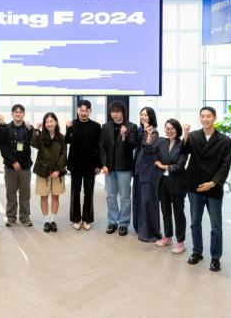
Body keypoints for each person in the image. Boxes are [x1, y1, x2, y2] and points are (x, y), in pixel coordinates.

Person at [183, 106, 231, 272]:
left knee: (216, 225)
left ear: (214, 118)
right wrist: (185, 133)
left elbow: (225, 167)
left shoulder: (225, 141)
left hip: (213, 187)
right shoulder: (194, 136)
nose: (205, 119)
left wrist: (212, 183)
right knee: (195, 222)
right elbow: (183, 151)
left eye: (208, 116)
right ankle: (197, 252)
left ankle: (215, 257)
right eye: (202, 116)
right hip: (195, 186)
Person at [99, 100, 138, 236]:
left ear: (123, 112)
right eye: (113, 111)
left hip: (125, 168)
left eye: (118, 111)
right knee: (110, 195)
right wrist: (103, 164)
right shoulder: (106, 127)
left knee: (125, 197)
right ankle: (112, 221)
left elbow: (132, 146)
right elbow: (102, 147)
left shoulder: (132, 127)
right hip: (109, 168)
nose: (115, 114)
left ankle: (123, 223)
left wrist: (123, 136)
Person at [65, 99, 102, 230]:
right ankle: (76, 218)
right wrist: (68, 129)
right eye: (81, 110)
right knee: (75, 191)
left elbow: (99, 147)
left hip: (91, 165)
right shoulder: (72, 124)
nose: (84, 113)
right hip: (75, 164)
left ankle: (87, 219)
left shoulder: (97, 126)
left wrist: (99, 165)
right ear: (77, 111)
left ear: (90, 111)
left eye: (86, 110)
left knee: (89, 192)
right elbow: (67, 141)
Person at [154, 119, 188, 254]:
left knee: (178, 212)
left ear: (177, 129)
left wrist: (164, 166)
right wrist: (157, 161)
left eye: (172, 128)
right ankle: (167, 236)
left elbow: (180, 165)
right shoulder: (162, 142)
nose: (169, 131)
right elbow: (154, 153)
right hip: (163, 181)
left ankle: (180, 242)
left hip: (178, 182)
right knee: (165, 209)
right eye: (167, 128)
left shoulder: (182, 145)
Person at [0, 104, 34, 227]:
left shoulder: (28, 128)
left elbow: (34, 142)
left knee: (25, 194)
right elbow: (3, 146)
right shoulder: (6, 128)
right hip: (10, 167)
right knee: (11, 193)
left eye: (20, 112)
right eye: (15, 112)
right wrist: (13, 161)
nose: (18, 114)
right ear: (12, 114)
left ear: (24, 114)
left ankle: (25, 217)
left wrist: (32, 130)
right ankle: (11, 217)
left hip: (25, 167)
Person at [32, 112, 67, 233]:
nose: (49, 124)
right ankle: (46, 221)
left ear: (56, 122)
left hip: (57, 172)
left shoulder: (61, 137)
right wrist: (36, 129)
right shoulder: (40, 136)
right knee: (44, 196)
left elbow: (64, 154)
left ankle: (53, 220)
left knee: (55, 196)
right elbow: (33, 143)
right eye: (47, 122)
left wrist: (58, 170)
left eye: (51, 121)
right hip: (43, 171)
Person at [132, 107, 162, 243]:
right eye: (141, 114)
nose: (143, 117)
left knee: (147, 200)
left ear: (151, 117)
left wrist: (147, 133)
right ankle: (139, 227)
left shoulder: (154, 132)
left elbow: (148, 148)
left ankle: (149, 232)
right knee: (139, 198)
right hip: (139, 169)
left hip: (148, 170)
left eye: (146, 115)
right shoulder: (140, 130)